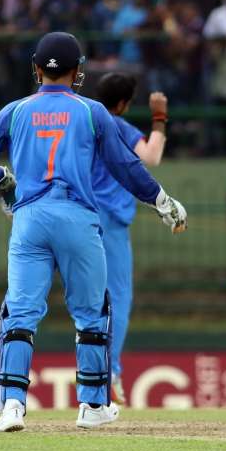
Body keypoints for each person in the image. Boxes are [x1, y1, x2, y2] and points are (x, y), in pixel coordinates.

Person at [0, 32, 187, 432]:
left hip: (29, 217)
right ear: (78, 72)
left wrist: (0, 182)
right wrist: (161, 200)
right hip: (79, 219)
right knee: (92, 313)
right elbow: (125, 165)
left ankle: (12, 405)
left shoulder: (16, 110)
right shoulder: (92, 112)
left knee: (20, 311)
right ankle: (92, 405)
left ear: (36, 69)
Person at [91, 72, 168, 405]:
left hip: (75, 213)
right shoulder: (117, 127)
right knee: (117, 298)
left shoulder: (83, 122)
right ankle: (109, 371)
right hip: (110, 222)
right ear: (123, 104)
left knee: (84, 299)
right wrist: (160, 117)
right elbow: (151, 157)